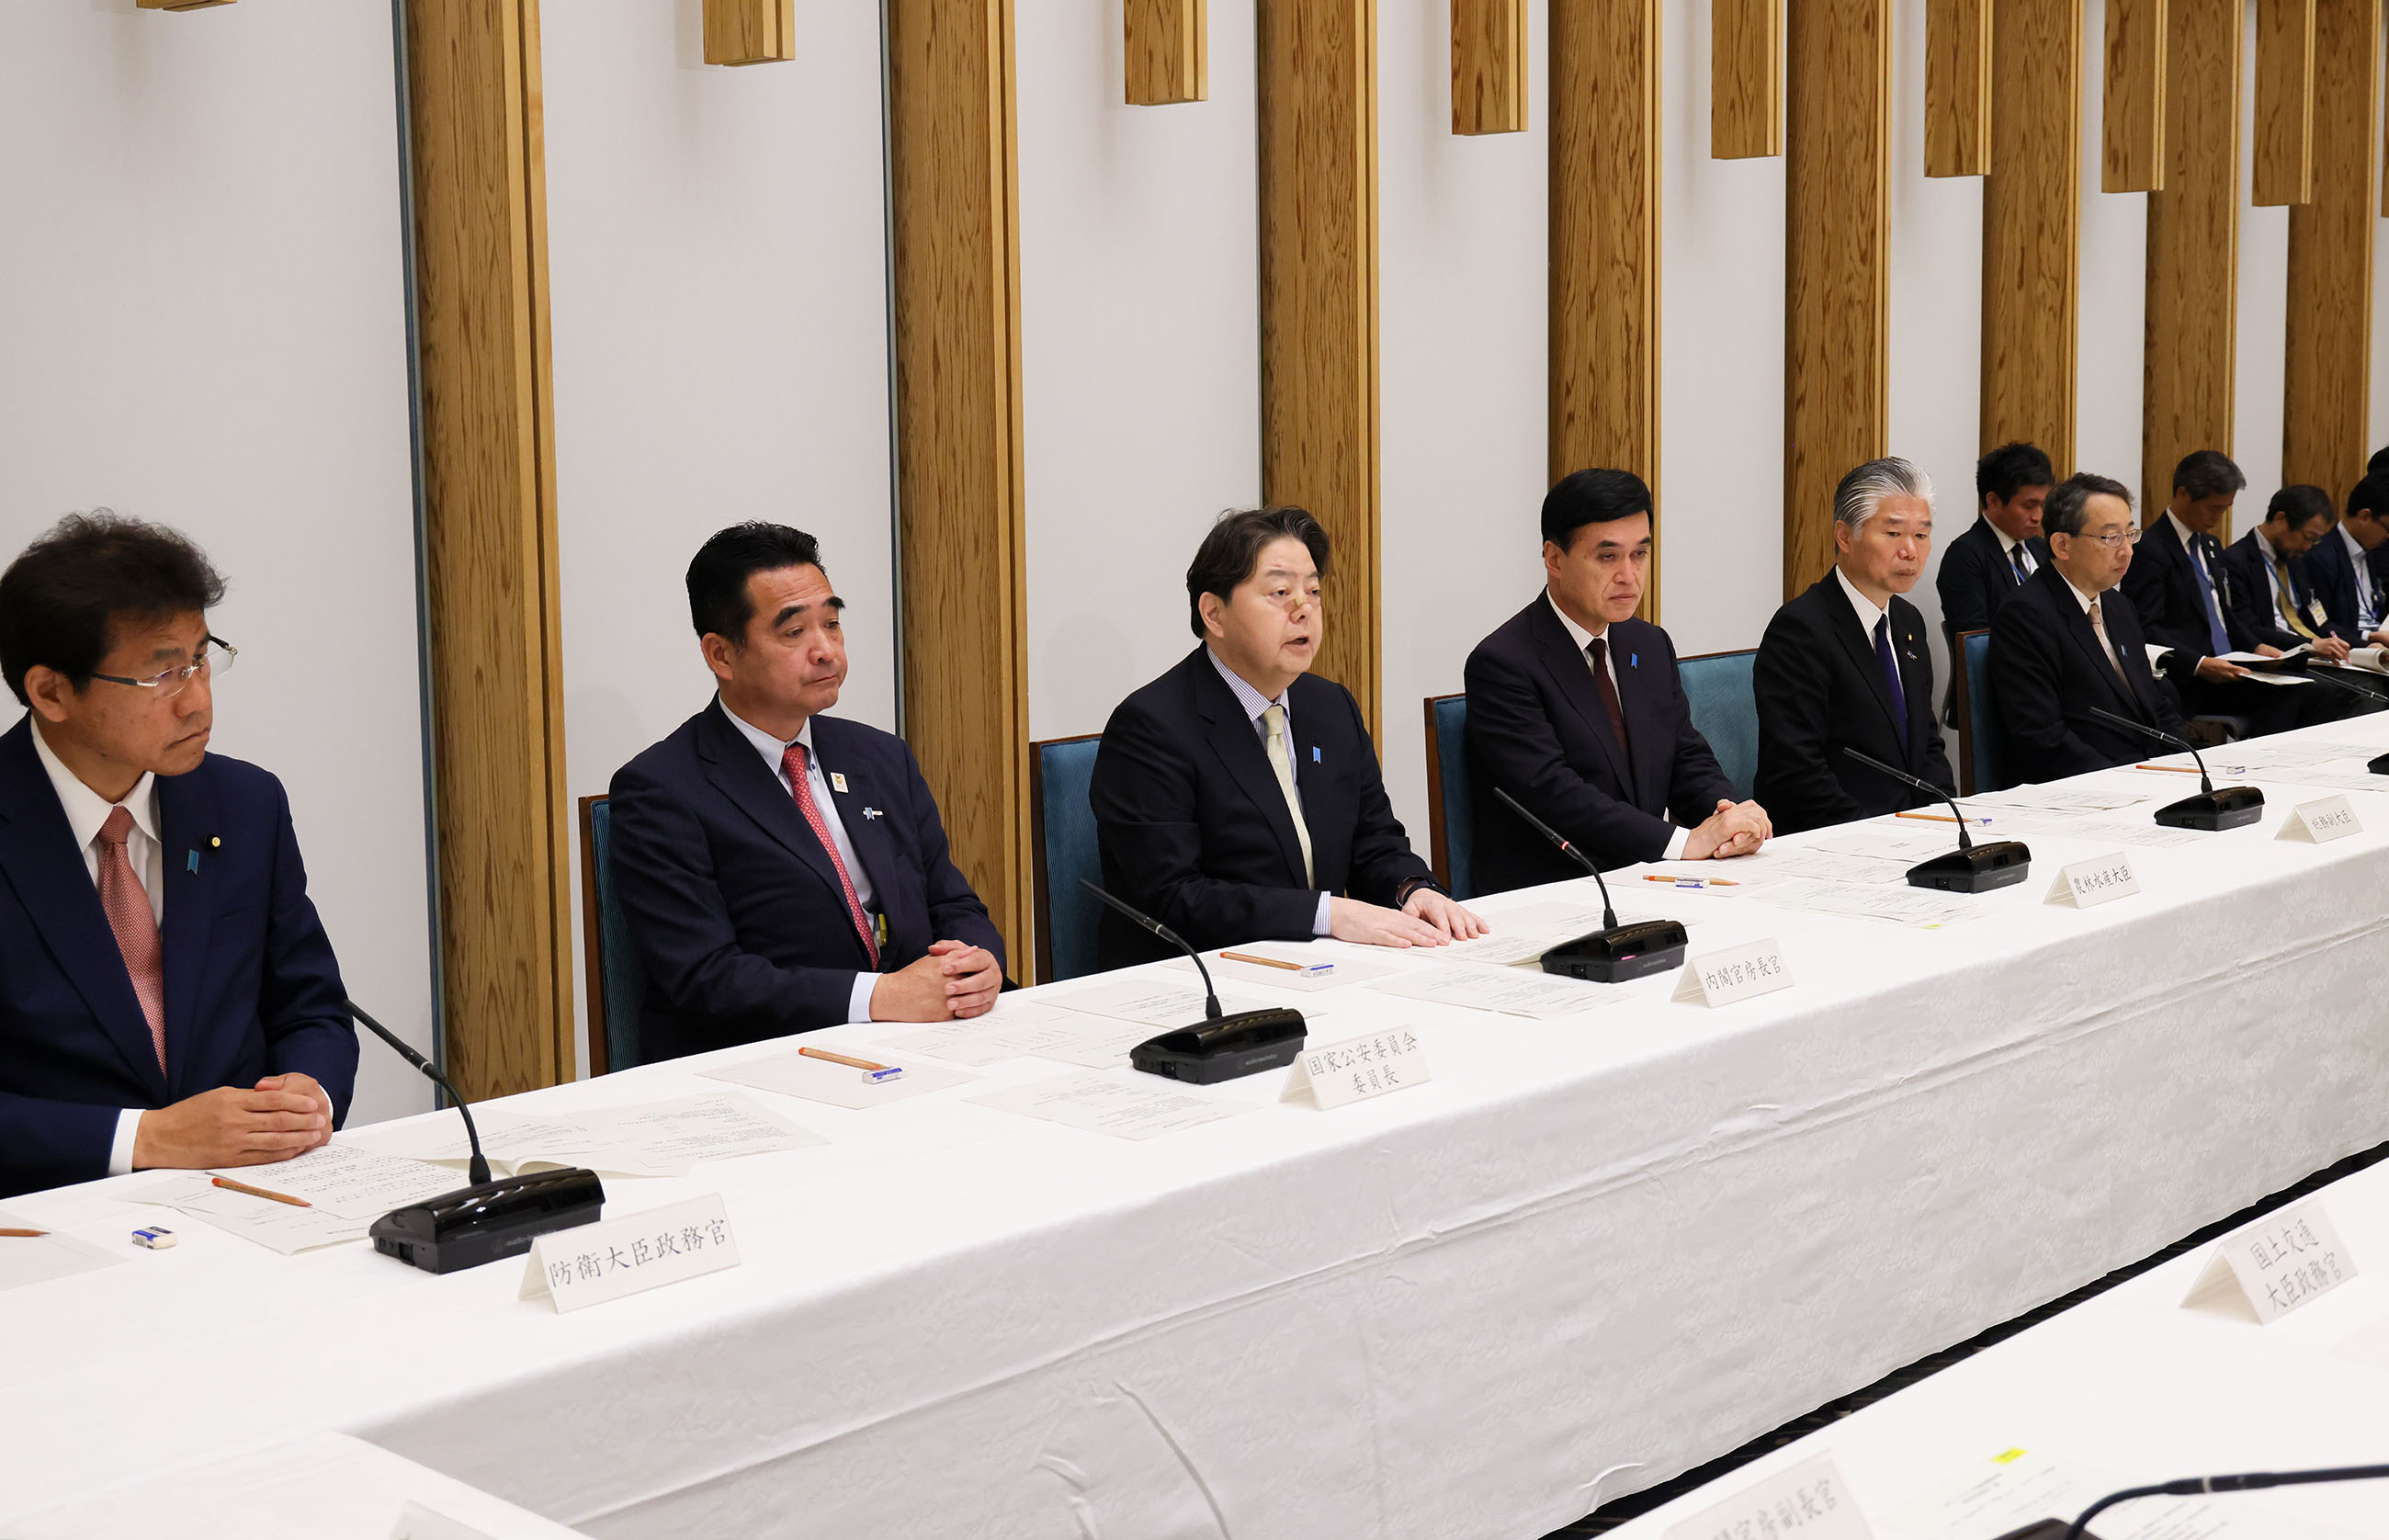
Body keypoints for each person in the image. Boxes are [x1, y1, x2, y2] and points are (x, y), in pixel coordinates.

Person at [0, 513, 355, 1199]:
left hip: (245, 1202)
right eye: (162, 675)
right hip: (49, 1225)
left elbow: (312, 1009)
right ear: (51, 692)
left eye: (200, 657)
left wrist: (309, 1096)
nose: (198, 700)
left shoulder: (245, 804)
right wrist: (147, 1139)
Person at [608, 524, 1005, 1062]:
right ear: (721, 655)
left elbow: (952, 901)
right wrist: (880, 996)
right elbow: (706, 977)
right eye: (794, 633)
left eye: (833, 624)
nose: (826, 651)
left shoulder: (881, 756)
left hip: (926, 1042)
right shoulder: (661, 789)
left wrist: (978, 962)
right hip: (771, 1061)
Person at [1089, 507, 1485, 968]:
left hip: (1322, 970)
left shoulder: (1330, 706)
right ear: (1214, 613)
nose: (1304, 609)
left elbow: (1374, 842)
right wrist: (1328, 914)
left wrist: (1411, 889)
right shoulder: (1152, 727)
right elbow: (1174, 897)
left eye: (1313, 591)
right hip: (1199, 983)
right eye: (1280, 592)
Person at [1465, 469, 1770, 891]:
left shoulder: (1648, 643)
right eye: (1608, 556)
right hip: (1559, 891)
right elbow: (1555, 795)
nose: (1629, 575)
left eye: (1639, 554)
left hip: (1650, 877)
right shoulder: (1503, 662)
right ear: (1554, 559)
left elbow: (1684, 754)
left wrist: (1730, 815)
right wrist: (1683, 843)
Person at [1754, 458, 1953, 833]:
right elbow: (1797, 774)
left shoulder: (1908, 621)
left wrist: (1943, 820)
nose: (1910, 551)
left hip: (1911, 835)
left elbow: (1927, 746)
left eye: (1922, 535)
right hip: (1837, 838)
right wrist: (1877, 839)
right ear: (1844, 537)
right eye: (1893, 534)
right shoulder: (1801, 629)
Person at [1990, 473, 2188, 779]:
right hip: (2086, 787)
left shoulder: (2119, 607)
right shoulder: (2026, 614)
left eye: (2131, 534)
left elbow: (2153, 704)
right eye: (2111, 538)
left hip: (2145, 776)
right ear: (2062, 545)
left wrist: (2184, 763)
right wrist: (2124, 782)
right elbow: (2042, 736)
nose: (2127, 550)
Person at [2119, 449, 2329, 735]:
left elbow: (2221, 613)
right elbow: (2146, 628)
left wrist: (2256, 647)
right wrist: (2200, 663)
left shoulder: (2210, 545)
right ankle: (2262, 769)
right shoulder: (2151, 550)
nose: (2218, 517)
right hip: (2190, 675)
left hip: (2230, 664)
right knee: (2287, 696)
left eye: (2225, 509)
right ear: (2183, 494)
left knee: (2315, 686)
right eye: (2214, 507)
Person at [2217, 485, 2352, 662]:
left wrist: (2366, 642)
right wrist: (2309, 644)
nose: (2308, 547)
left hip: (2312, 655)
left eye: (2315, 541)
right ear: (2281, 519)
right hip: (2276, 658)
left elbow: (2319, 619)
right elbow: (2248, 628)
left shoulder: (2295, 560)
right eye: (2308, 538)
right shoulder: (2236, 561)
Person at [2305, 472, 2389, 646]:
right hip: (2348, 653)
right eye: (2387, 529)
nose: (2388, 537)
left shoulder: (2370, 551)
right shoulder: (2321, 557)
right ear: (2365, 516)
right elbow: (2319, 625)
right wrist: (2368, 639)